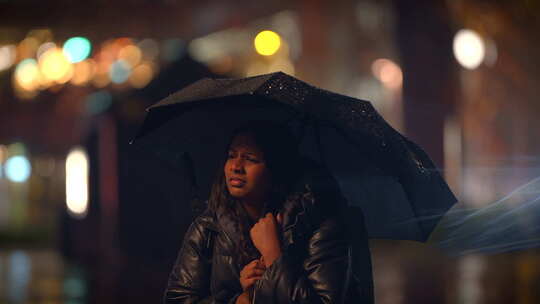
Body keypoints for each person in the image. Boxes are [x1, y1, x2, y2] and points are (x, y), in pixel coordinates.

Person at [163, 121, 374, 304]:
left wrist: (275, 256)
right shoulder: (208, 227)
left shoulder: (317, 222)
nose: (236, 166)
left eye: (251, 158)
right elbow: (179, 299)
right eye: (231, 155)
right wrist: (240, 299)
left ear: (276, 168)